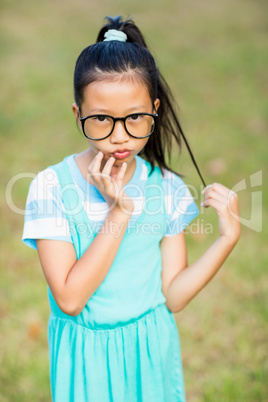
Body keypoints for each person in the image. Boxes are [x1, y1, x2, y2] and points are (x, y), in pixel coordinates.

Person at [22, 15, 240, 402]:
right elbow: (70, 300)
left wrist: (226, 239)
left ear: (154, 109)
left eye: (136, 118)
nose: (120, 136)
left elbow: (172, 295)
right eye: (102, 119)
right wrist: (119, 214)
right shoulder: (51, 187)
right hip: (88, 360)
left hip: (151, 350)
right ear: (78, 115)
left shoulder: (166, 188)